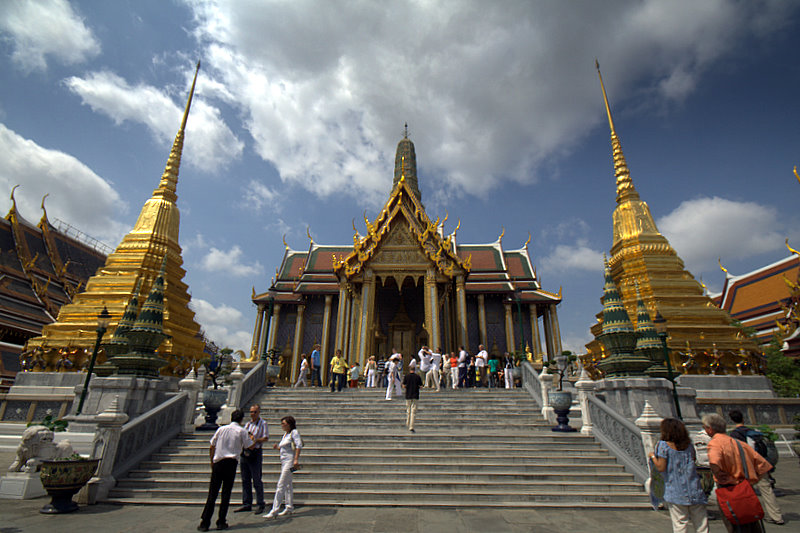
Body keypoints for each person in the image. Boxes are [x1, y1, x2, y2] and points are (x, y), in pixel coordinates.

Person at [703, 413, 773, 533]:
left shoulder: (715, 443)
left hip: (729, 491)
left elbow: (714, 462)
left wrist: (721, 476)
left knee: (735, 526)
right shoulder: (739, 443)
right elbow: (764, 466)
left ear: (710, 429)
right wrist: (752, 481)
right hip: (745, 489)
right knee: (753, 526)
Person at [648, 418, 709, 533]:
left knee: (680, 525)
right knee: (701, 525)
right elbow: (694, 459)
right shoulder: (689, 446)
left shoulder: (663, 445)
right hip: (694, 489)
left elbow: (661, 467)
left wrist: (652, 456)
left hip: (676, 490)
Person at [199, 409, 254, 532]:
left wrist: (212, 461)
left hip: (218, 462)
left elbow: (212, 446)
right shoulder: (241, 431)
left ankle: (205, 522)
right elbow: (250, 446)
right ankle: (221, 521)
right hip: (231, 463)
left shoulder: (221, 429)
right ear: (241, 419)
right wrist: (252, 438)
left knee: (212, 494)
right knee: (226, 493)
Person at [728, 410, 784, 525]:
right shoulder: (752, 432)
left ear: (732, 420)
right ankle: (777, 516)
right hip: (760, 465)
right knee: (767, 491)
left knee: (746, 492)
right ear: (743, 419)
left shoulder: (735, 434)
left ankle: (752, 515)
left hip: (747, 467)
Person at [263, 416, 303, 519]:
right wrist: (278, 448)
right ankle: (289, 507)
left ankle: (274, 510)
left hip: (290, 462)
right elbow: (285, 448)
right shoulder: (285, 434)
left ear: (289, 424)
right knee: (288, 485)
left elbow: (298, 446)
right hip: (284, 461)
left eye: (283, 423)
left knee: (281, 484)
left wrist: (296, 460)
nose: (282, 425)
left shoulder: (294, 433)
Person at [235, 405, 270, 515]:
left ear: (259, 412)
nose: (252, 414)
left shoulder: (263, 424)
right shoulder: (247, 424)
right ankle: (247, 503)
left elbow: (266, 438)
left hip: (255, 453)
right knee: (245, 479)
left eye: (254, 412)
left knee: (257, 479)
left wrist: (254, 440)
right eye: (251, 412)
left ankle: (260, 503)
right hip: (245, 453)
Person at [402, 359, 423, 432]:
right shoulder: (418, 377)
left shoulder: (406, 376)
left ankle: (408, 422)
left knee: (408, 410)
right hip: (415, 395)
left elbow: (404, 385)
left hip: (408, 395)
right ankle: (411, 426)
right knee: (413, 412)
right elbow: (421, 386)